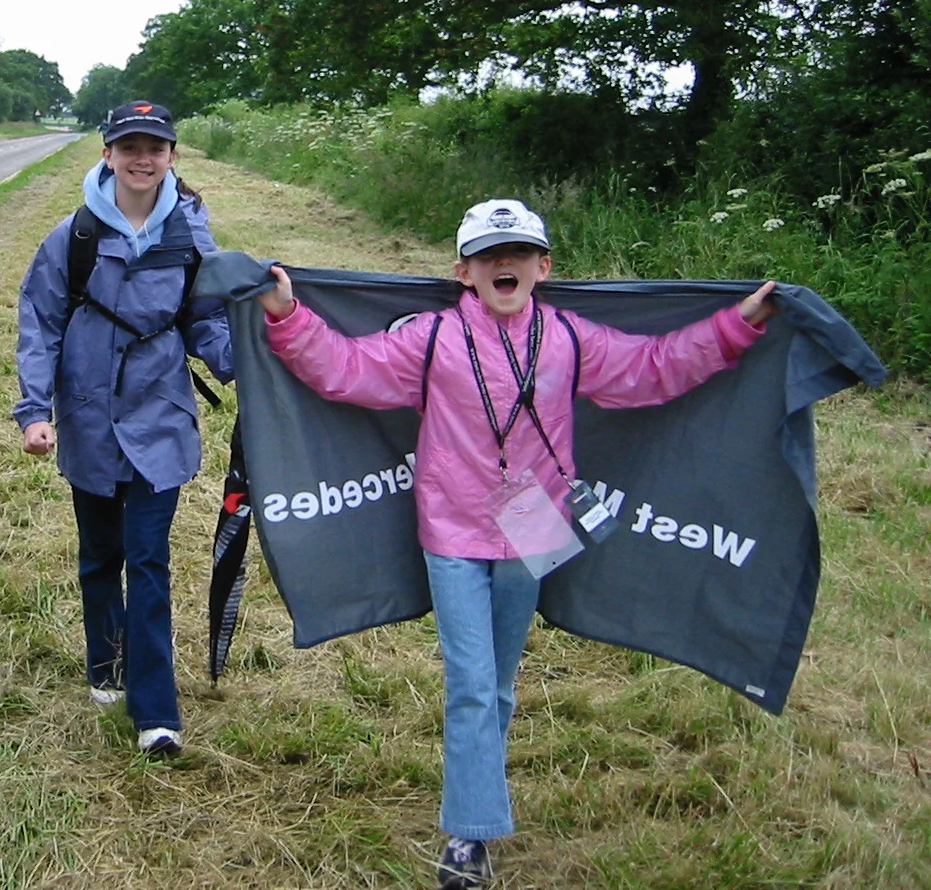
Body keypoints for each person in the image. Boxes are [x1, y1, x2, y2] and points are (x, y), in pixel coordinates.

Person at [257, 198, 778, 888]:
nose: (505, 262)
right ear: (463, 271)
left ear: (543, 266)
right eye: (489, 254)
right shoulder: (435, 337)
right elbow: (348, 369)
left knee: (499, 685)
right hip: (451, 524)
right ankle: (470, 839)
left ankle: (478, 790)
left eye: (519, 252)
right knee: (471, 683)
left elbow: (654, 368)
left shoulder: (567, 337)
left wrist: (737, 327)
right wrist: (287, 315)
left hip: (533, 521)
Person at [14, 101, 233, 756]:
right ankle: (105, 664)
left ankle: (155, 710)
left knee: (149, 558)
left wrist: (246, 368)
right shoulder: (73, 236)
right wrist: (33, 411)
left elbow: (209, 320)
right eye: (129, 146)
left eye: (156, 147)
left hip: (160, 415)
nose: (143, 158)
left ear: (172, 156)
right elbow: (40, 324)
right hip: (87, 417)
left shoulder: (191, 234)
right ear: (107, 153)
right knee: (99, 556)